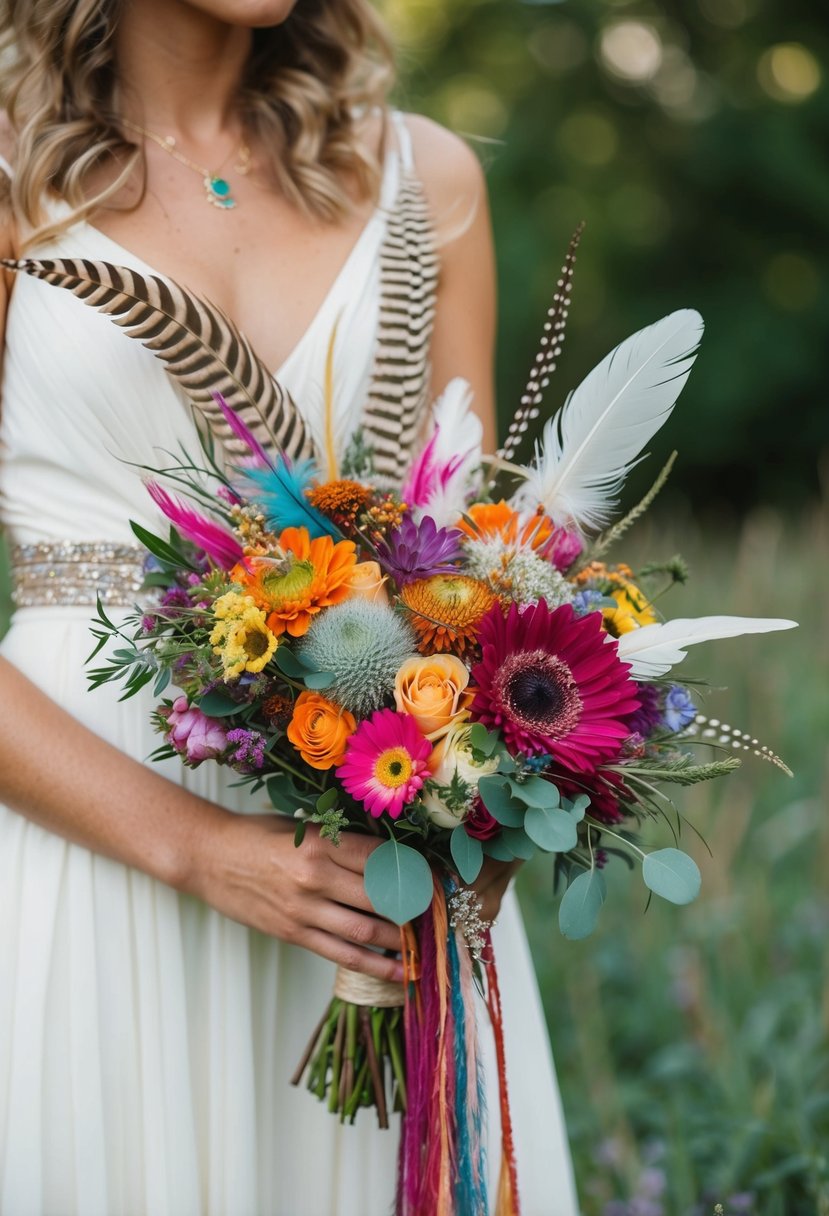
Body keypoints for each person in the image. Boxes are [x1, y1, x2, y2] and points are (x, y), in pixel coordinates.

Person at [0, 2, 580, 1213]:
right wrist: (201, 849)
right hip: (89, 847)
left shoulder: (428, 178)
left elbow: (477, 565)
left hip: (379, 882)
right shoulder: (14, 173)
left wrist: (487, 806)